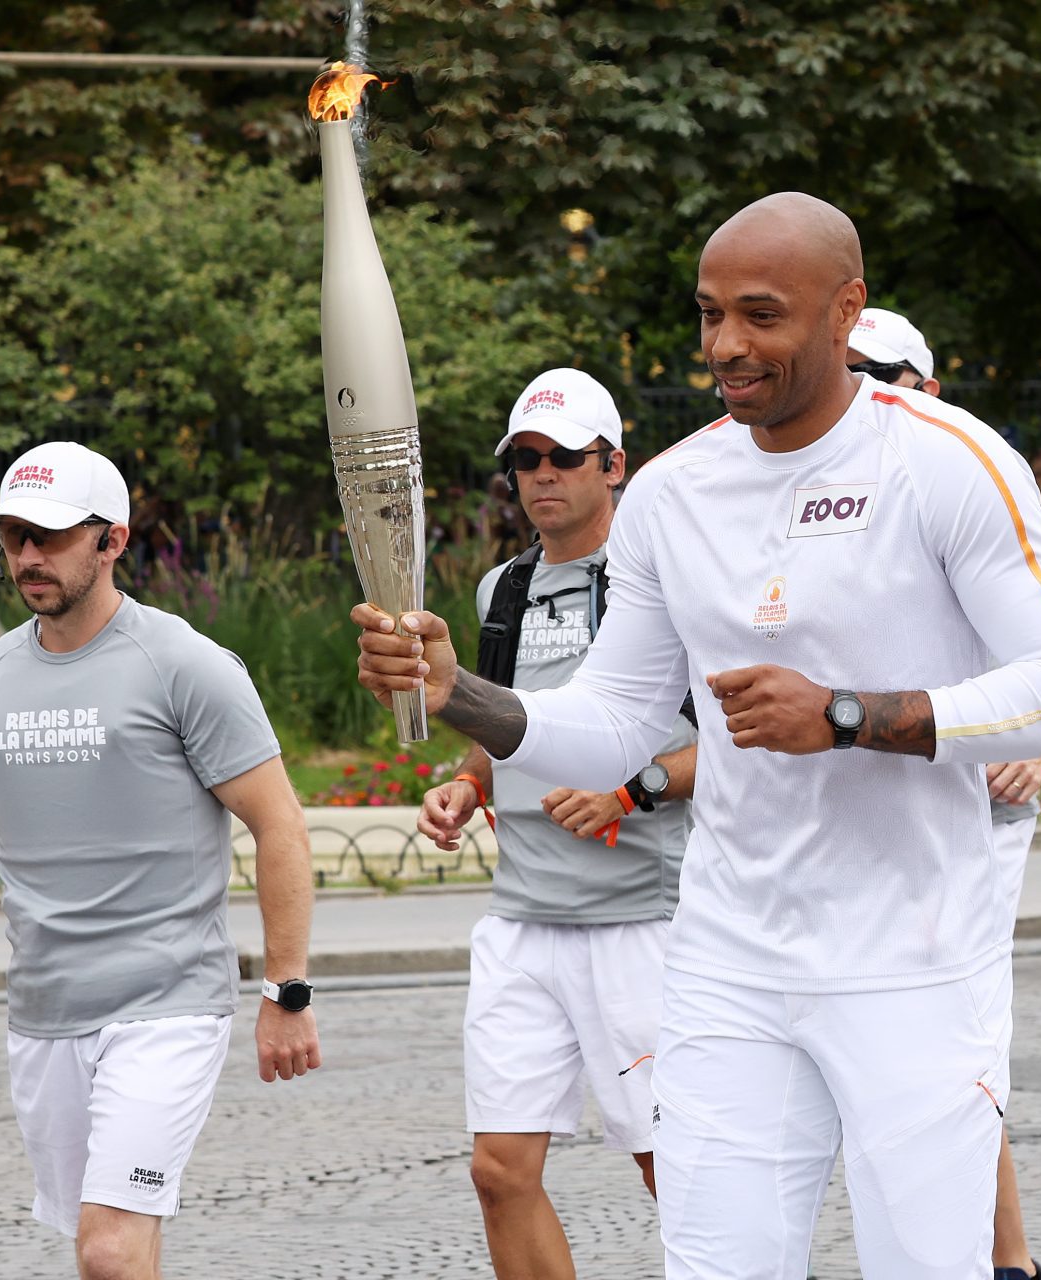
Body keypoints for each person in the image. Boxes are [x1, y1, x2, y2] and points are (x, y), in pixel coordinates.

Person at [355, 192, 1041, 1279]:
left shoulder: (947, 460)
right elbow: (616, 722)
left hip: (910, 957)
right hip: (727, 958)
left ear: (845, 309)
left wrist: (846, 716)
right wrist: (459, 690)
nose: (726, 345)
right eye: (710, 314)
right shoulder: (672, 491)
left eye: (761, 315)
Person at [0, 441, 320, 1279]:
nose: (27, 555)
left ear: (113, 541)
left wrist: (287, 989)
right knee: (114, 1245)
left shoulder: (185, 666)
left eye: (51, 535)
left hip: (167, 1005)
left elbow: (279, 824)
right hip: (44, 1014)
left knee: (106, 1246)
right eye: (14, 535)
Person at [419, 368, 698, 1280]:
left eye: (564, 457)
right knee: (499, 1172)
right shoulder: (502, 589)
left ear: (615, 465)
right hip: (521, 921)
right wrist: (466, 782)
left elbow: (743, 745)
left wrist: (634, 790)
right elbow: (508, 724)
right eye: (524, 461)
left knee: (677, 1171)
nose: (543, 476)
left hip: (641, 925)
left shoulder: (666, 582)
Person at [847, 305, 1041, 1280]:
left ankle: (1002, 1262)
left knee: (952, 1051)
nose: (861, 389)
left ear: (926, 387)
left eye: (879, 372)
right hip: (857, 819)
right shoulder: (809, 492)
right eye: (846, 369)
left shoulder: (968, 478)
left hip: (972, 814)